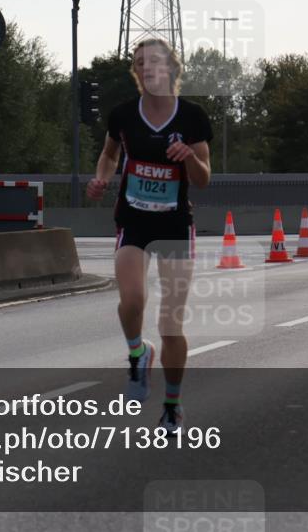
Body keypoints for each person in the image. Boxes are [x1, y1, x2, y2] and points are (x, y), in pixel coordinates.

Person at [86, 39, 212, 434]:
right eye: (140, 62)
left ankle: (172, 406)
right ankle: (138, 353)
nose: (147, 67)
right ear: (136, 72)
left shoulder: (191, 117)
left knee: (171, 323)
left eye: (154, 61)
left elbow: (204, 179)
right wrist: (101, 178)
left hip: (174, 224)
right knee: (132, 300)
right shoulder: (123, 115)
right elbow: (110, 154)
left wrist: (189, 158)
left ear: (171, 68)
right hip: (134, 221)